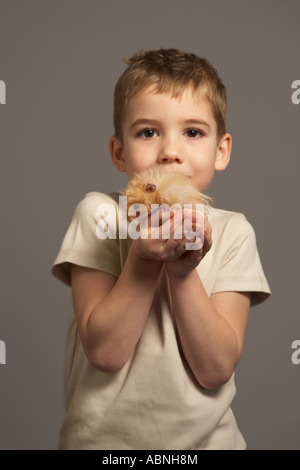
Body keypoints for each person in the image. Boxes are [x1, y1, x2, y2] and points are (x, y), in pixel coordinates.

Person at [51, 48, 271, 450]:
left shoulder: (233, 231)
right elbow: (105, 352)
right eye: (148, 132)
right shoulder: (100, 216)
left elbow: (216, 368)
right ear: (119, 151)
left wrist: (183, 273)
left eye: (193, 132)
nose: (170, 151)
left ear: (221, 150)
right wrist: (143, 257)